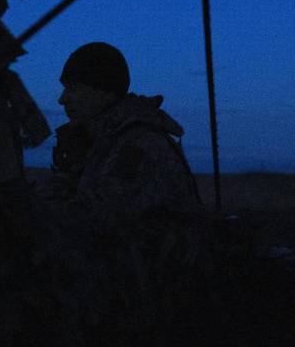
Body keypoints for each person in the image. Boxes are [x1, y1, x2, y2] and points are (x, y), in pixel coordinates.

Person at [44, 42, 201, 218]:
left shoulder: (139, 144)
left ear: (104, 91)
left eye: (73, 88)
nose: (62, 99)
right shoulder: (99, 141)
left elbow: (96, 219)